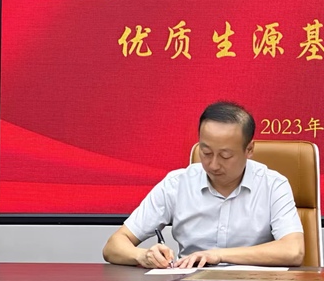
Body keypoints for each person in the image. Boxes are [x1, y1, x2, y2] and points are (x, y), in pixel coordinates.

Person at [103, 101, 304, 268]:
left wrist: (218, 255)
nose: (213, 164)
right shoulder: (177, 184)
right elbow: (113, 246)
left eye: (225, 155)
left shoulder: (272, 185)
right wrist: (143, 256)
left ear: (249, 149)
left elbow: (293, 251)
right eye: (206, 152)